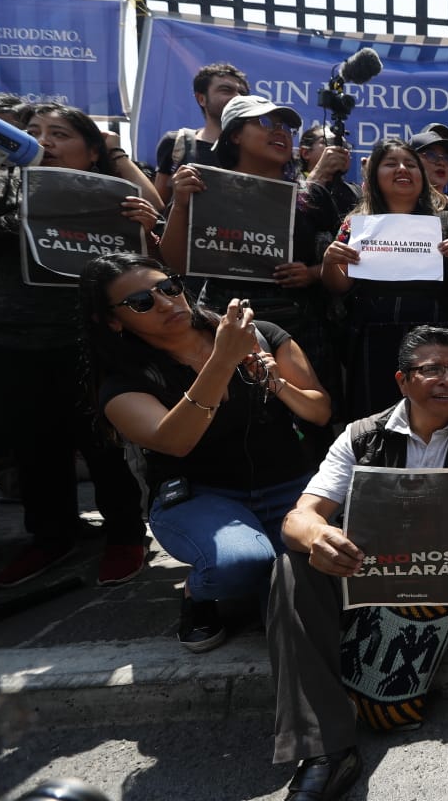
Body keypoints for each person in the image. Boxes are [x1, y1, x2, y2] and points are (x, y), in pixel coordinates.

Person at [269, 325, 448, 801]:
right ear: (402, 381)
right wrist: (319, 535)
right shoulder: (360, 438)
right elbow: (298, 517)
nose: (447, 379)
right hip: (376, 580)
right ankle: (326, 751)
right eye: (432, 369)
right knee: (291, 565)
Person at [79, 253, 331, 651]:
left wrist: (276, 382)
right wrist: (222, 360)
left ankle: (263, 577)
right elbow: (176, 440)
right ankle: (200, 594)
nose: (165, 302)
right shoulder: (123, 383)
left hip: (292, 489)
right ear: (113, 321)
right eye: (141, 302)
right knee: (240, 564)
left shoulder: (262, 334)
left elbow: (319, 411)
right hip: (202, 497)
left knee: (305, 614)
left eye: (168, 288)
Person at [0, 102, 160, 589]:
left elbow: (146, 249)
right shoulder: (0, 189)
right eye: (33, 133)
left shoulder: (108, 197)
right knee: (36, 446)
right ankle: (50, 536)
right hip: (9, 341)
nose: (45, 141)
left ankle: (126, 533)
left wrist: (143, 219)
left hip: (87, 340)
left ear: (90, 153)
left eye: (60, 134)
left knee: (102, 440)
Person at [162, 95, 341, 457]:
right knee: (237, 419)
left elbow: (345, 261)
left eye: (285, 126)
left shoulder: (312, 196)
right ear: (233, 136)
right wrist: (180, 204)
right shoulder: (201, 188)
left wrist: (312, 273)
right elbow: (173, 262)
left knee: (307, 426)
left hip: (300, 329)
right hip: (225, 322)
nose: (280, 132)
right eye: (265, 123)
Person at [321, 138, 448, 419]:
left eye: (410, 164)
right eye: (391, 164)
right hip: (373, 338)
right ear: (374, 175)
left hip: (433, 337)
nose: (402, 169)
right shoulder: (355, 224)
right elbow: (339, 285)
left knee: (433, 415)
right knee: (376, 418)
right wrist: (329, 263)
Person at [153, 62, 249, 203]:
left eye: (243, 93)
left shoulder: (257, 149)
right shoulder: (176, 142)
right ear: (201, 99)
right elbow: (158, 208)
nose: (237, 97)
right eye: (226, 90)